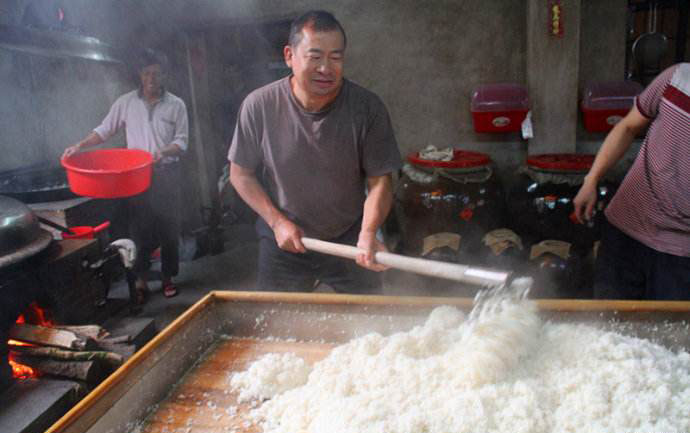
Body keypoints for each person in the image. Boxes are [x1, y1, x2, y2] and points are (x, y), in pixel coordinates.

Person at [228, 10, 402, 293]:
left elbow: (380, 181)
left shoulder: (367, 108)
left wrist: (369, 232)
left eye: (336, 57)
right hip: (282, 239)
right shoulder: (259, 106)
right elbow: (240, 174)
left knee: (370, 326)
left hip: (348, 238)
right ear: (289, 56)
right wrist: (277, 222)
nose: (326, 68)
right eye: (315, 56)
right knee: (274, 326)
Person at [63, 50, 189, 302]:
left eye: (156, 73)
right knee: (140, 230)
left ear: (163, 76)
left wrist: (161, 151)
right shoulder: (126, 103)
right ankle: (141, 281)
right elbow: (104, 130)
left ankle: (167, 278)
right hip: (137, 179)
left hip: (166, 174)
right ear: (140, 76)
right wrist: (80, 145)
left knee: (168, 229)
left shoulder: (176, 104)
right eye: (146, 73)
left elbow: (182, 142)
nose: (151, 78)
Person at [573, 63, 690, 300]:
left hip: (680, 253)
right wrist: (591, 180)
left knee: (665, 335)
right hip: (625, 229)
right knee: (606, 328)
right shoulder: (678, 78)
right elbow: (627, 127)